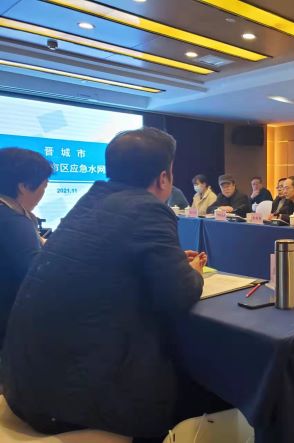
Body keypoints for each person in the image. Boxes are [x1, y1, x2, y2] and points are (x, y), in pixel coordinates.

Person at [2, 128, 225, 442]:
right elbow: (179, 294)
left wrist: (173, 261)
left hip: (25, 385)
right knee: (212, 387)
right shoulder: (148, 208)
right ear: (164, 177)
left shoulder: (90, 201)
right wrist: (193, 271)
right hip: (71, 402)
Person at [0, 147, 52, 346]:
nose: (43, 193)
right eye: (44, 186)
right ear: (23, 186)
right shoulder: (13, 221)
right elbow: (37, 275)